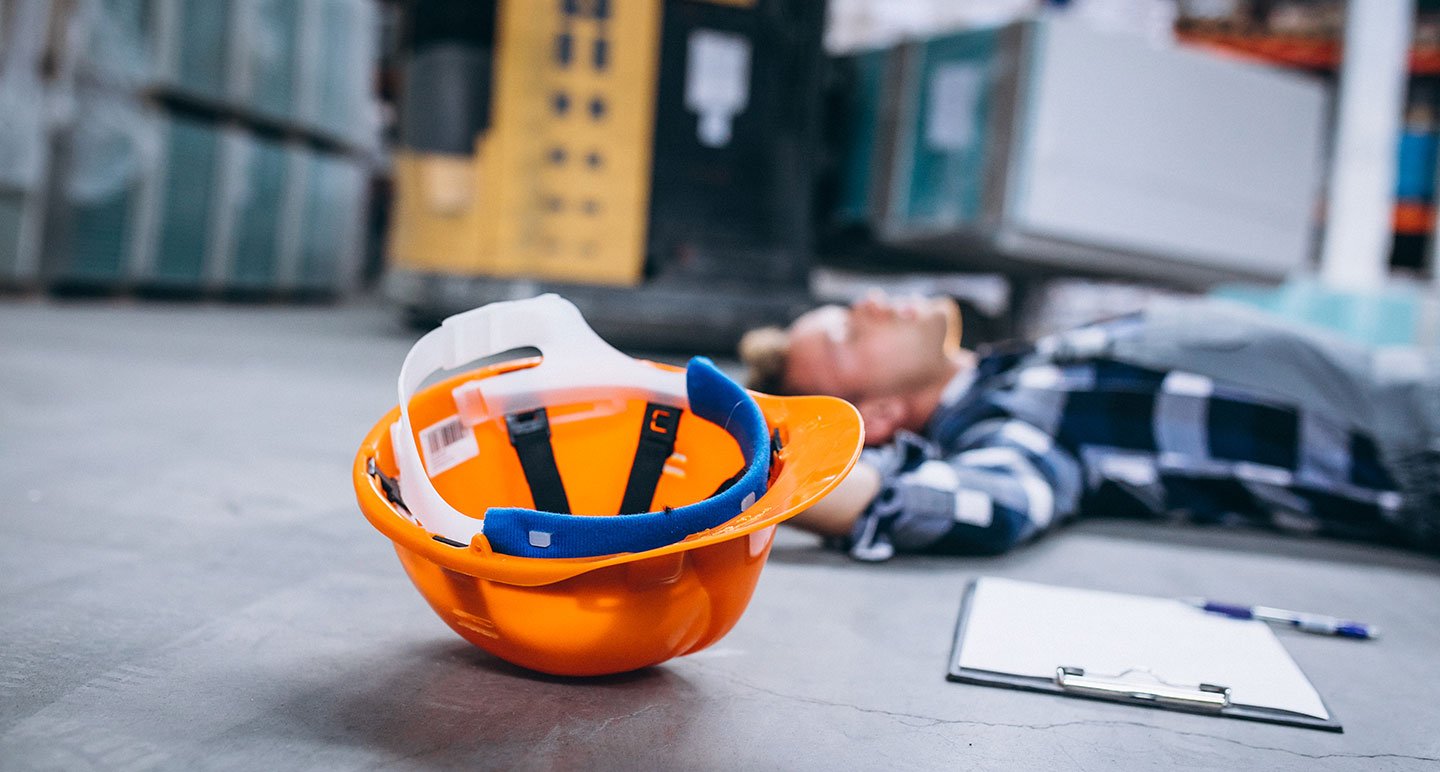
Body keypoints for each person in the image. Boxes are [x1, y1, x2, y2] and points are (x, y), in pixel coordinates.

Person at [739, 291, 1440, 561]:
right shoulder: (1016, 421)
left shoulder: (1020, 369)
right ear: (880, 415)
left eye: (844, 310)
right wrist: (757, 471)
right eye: (845, 338)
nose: (867, 304)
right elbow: (986, 503)